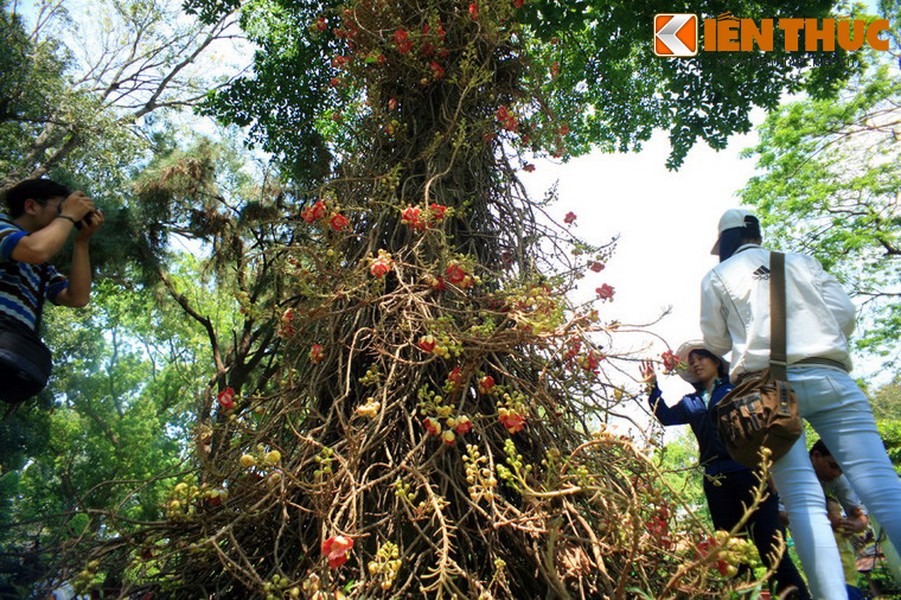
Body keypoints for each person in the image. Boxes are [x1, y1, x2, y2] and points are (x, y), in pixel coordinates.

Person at [700, 207, 901, 600]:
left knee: (804, 503)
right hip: (830, 374)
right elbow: (844, 312)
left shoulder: (718, 276)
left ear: (724, 242)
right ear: (755, 234)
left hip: (768, 394)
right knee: (881, 485)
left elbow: (717, 342)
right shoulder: (803, 262)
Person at [641, 340, 809, 598]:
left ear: (716, 361)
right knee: (732, 553)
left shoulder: (737, 389)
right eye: (692, 360)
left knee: (771, 546)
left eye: (702, 357)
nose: (696, 363)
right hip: (716, 479)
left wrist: (771, 469)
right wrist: (652, 386)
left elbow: (763, 429)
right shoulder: (691, 402)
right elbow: (665, 416)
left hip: (750, 472)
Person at [0, 178, 104, 398]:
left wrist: (81, 242)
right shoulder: (2, 227)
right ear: (31, 207)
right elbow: (36, 250)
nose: (67, 214)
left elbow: (77, 297)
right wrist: (68, 216)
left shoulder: (43, 269)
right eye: (60, 208)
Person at [779, 440, 869, 600]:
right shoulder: (791, 471)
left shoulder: (837, 478)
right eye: (832, 466)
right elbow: (775, 510)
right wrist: (818, 522)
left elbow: (859, 514)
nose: (836, 473)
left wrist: (856, 524)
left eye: (841, 470)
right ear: (815, 456)